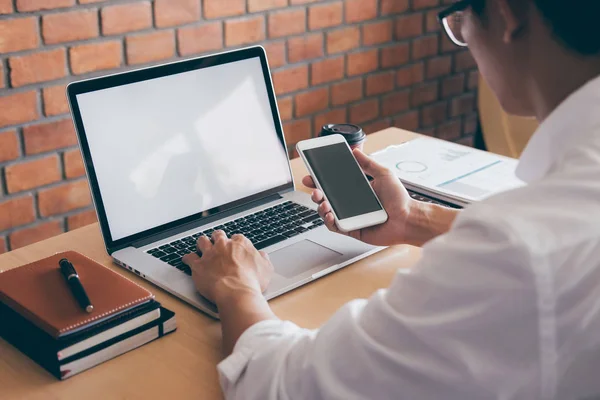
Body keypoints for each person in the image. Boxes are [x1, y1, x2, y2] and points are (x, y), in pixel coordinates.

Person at [182, 0, 600, 398]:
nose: (465, 41)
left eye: (459, 22)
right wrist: (414, 218)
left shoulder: (520, 251)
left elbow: (284, 387)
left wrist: (237, 287)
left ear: (507, 14)